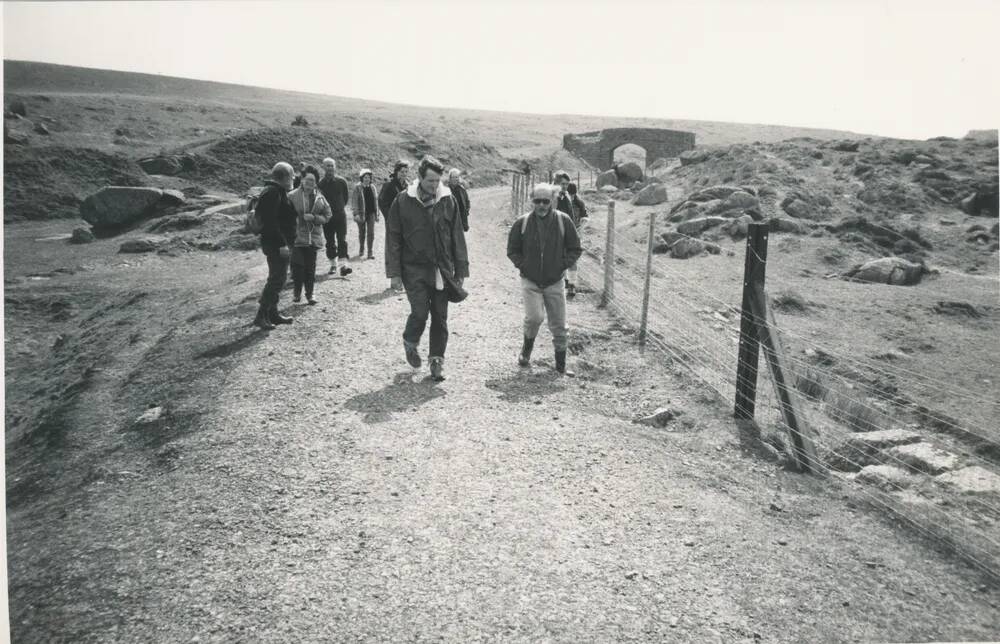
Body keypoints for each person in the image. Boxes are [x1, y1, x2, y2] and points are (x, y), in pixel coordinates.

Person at [385, 155, 469, 382]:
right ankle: (410, 342)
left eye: (437, 181)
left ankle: (436, 361)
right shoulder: (403, 201)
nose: (434, 186)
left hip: (442, 269)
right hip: (414, 269)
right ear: (419, 178)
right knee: (420, 313)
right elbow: (393, 237)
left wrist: (460, 270)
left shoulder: (448, 200)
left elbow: (457, 236)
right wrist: (394, 273)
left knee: (440, 317)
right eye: (430, 181)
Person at [506, 182, 582, 376]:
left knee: (559, 325)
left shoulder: (563, 221)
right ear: (532, 201)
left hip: (555, 281)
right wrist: (523, 265)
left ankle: (560, 367)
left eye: (546, 201)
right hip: (530, 281)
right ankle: (526, 351)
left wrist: (561, 265)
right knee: (534, 318)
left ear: (553, 201)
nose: (541, 205)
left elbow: (575, 248)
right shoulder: (521, 223)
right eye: (537, 201)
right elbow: (512, 250)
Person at [253, 161, 299, 330]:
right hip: (276, 244)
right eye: (292, 175)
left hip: (278, 243)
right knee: (276, 279)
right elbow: (271, 223)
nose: (294, 178)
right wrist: (282, 244)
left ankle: (273, 313)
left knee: (279, 278)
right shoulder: (273, 192)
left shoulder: (276, 191)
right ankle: (261, 315)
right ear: (285, 177)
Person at [288, 165, 331, 305]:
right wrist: (296, 220)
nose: (309, 183)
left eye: (312, 180)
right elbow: (284, 215)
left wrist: (315, 218)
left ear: (316, 182)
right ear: (301, 180)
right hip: (296, 237)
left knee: (310, 268)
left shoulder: (320, 198)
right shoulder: (292, 196)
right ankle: (297, 292)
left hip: (313, 238)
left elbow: (328, 215)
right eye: (307, 179)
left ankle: (310, 294)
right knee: (298, 267)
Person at [319, 157, 352, 277]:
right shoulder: (320, 184)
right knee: (330, 241)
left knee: (342, 240)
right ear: (323, 167)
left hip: (340, 215)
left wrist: (339, 208)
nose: (330, 168)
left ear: (335, 167)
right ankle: (333, 264)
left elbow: (345, 197)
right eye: (327, 165)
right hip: (327, 217)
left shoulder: (341, 181)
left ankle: (343, 266)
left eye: (332, 165)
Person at [552, 170, 579, 298]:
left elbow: (571, 214)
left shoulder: (567, 195)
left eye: (567, 184)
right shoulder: (551, 196)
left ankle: (572, 284)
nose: (565, 187)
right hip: (554, 232)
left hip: (567, 230)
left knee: (572, 257)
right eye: (562, 184)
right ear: (556, 183)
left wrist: (573, 229)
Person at [350, 168, 380, 260]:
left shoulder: (373, 187)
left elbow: (376, 200)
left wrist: (377, 213)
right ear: (362, 178)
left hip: (371, 213)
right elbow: (354, 201)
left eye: (369, 177)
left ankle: (370, 253)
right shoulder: (357, 187)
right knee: (362, 232)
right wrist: (356, 213)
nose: (367, 179)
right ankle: (361, 249)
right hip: (361, 213)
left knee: (371, 233)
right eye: (365, 177)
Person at [378, 160, 411, 230]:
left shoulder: (408, 185)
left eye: (406, 172)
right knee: (392, 239)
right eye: (402, 172)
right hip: (392, 220)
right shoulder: (389, 184)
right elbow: (381, 202)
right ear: (396, 172)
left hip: (404, 221)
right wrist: (390, 217)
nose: (404, 174)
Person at [447, 168, 471, 232]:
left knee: (459, 239)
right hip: (449, 220)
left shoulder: (462, 190)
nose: (455, 179)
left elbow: (467, 202)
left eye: (456, 177)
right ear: (450, 178)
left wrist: (466, 212)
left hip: (460, 220)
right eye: (453, 177)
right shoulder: (445, 190)